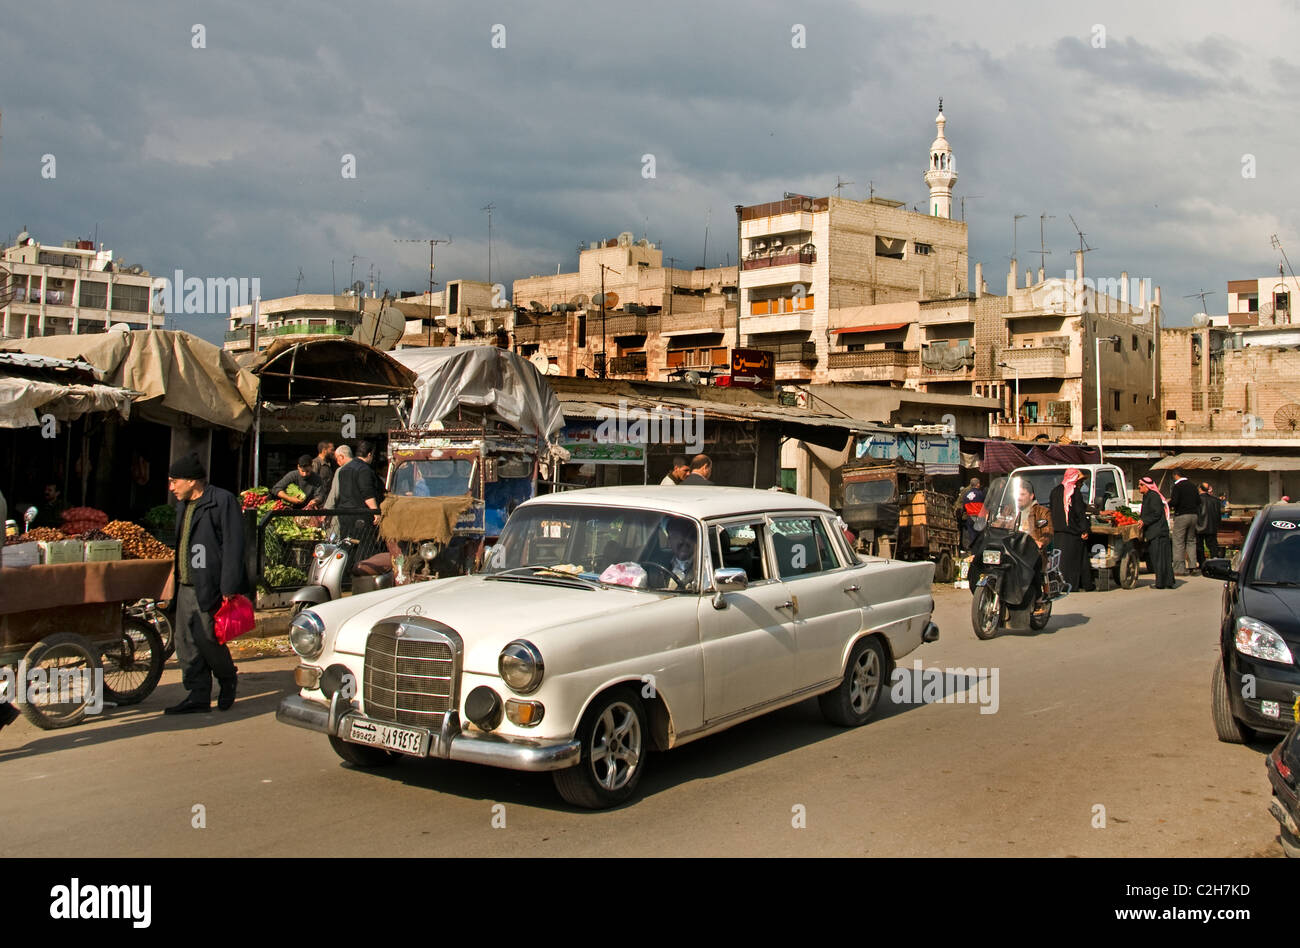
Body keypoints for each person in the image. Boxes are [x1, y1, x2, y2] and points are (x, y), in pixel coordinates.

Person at [165, 454, 245, 714]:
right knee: (185, 642)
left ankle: (227, 679)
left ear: (191, 480)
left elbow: (234, 546)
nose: (171, 487)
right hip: (185, 585)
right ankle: (198, 695)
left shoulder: (222, 501)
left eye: (174, 481)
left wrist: (228, 588)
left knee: (209, 638)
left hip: (210, 584)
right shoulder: (183, 505)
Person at [334, 440, 385, 560]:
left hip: (345, 514)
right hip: (362, 515)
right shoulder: (364, 470)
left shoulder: (343, 470)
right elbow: (367, 494)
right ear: (369, 454)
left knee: (347, 546)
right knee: (365, 547)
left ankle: (346, 573)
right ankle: (362, 574)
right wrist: (375, 512)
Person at [1049, 468, 1093, 592]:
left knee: (1060, 561)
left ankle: (1061, 585)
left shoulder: (1055, 491)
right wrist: (1085, 530)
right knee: (1072, 561)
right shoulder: (1075, 493)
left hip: (1058, 533)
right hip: (1072, 533)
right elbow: (1080, 513)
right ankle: (1072, 586)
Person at [1139, 475, 1175, 589]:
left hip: (1157, 532)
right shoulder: (1147, 496)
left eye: (1141, 485)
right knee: (1162, 558)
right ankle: (1167, 581)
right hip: (1157, 531)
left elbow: (1156, 513)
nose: (1139, 487)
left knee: (1159, 558)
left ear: (1147, 486)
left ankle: (1161, 583)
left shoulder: (1153, 496)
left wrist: (1144, 521)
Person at [647, 517, 699, 590]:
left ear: (696, 539)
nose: (682, 541)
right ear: (669, 541)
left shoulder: (706, 566)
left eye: (688, 535)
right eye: (676, 535)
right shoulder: (656, 564)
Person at [1168, 470, 1199, 576]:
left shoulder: (1177, 486)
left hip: (1182, 515)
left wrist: (1169, 503)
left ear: (1176, 475)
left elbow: (1175, 501)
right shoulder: (1193, 486)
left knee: (1178, 542)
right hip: (1194, 515)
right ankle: (1192, 566)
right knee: (1191, 541)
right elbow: (1198, 501)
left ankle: (1179, 569)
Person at [1196, 481, 1222, 568]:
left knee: (1199, 546)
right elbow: (1219, 515)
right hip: (1212, 526)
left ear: (1199, 489)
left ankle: (1202, 563)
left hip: (1199, 526)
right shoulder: (1216, 500)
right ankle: (1215, 563)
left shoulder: (1197, 500)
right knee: (1213, 545)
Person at [956, 477, 985, 550]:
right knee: (980, 536)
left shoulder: (966, 495)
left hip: (969, 518)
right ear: (978, 484)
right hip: (979, 518)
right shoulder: (980, 494)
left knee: (972, 536)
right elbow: (985, 506)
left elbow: (964, 507)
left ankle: (972, 551)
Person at [311, 441, 336, 505]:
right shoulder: (316, 463)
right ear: (324, 450)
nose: (334, 452)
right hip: (318, 502)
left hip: (327, 500)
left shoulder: (330, 463)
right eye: (332, 450)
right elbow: (312, 483)